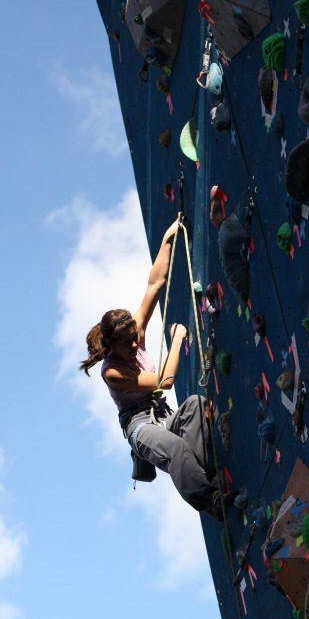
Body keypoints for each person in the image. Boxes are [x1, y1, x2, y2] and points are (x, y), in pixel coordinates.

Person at [80, 216, 227, 520]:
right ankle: (208, 500)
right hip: (140, 427)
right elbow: (165, 380)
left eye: (135, 337)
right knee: (174, 447)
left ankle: (204, 474)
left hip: (162, 415)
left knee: (196, 405)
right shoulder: (113, 372)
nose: (136, 344)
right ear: (112, 345)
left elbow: (155, 283)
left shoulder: (133, 331)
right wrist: (177, 340)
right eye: (127, 344)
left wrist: (168, 237)